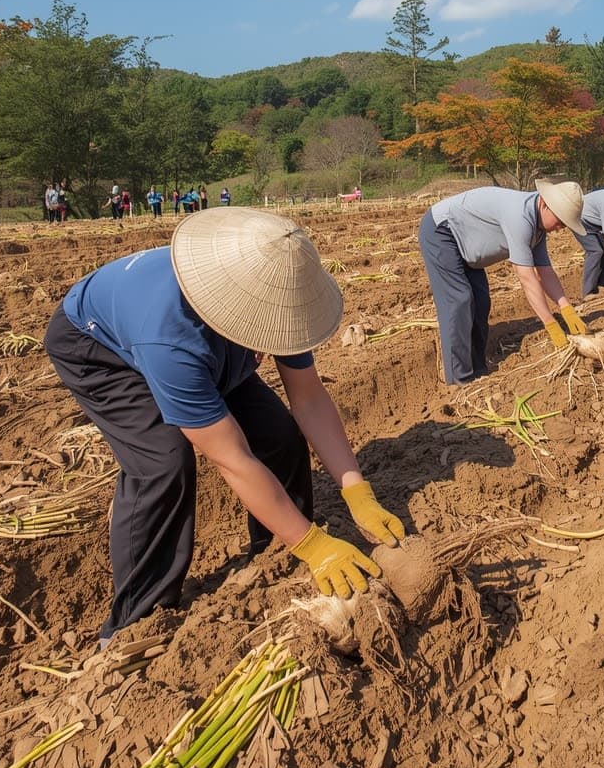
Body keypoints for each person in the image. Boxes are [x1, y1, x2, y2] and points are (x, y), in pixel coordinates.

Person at [44, 208, 403, 646]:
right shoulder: (173, 340)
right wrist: (314, 544)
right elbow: (230, 458)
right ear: (237, 317)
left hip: (188, 334)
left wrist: (356, 491)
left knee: (277, 434)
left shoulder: (276, 297)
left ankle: (276, 551)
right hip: (99, 347)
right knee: (162, 463)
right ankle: (133, 622)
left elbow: (308, 399)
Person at [418, 179, 588, 387]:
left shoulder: (538, 228)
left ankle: (478, 371)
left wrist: (566, 307)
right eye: (561, 221)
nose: (560, 228)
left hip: (468, 247)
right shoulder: (520, 217)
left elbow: (544, 270)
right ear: (545, 204)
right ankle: (459, 380)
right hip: (441, 231)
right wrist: (550, 323)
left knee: (481, 303)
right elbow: (527, 277)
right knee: (458, 301)